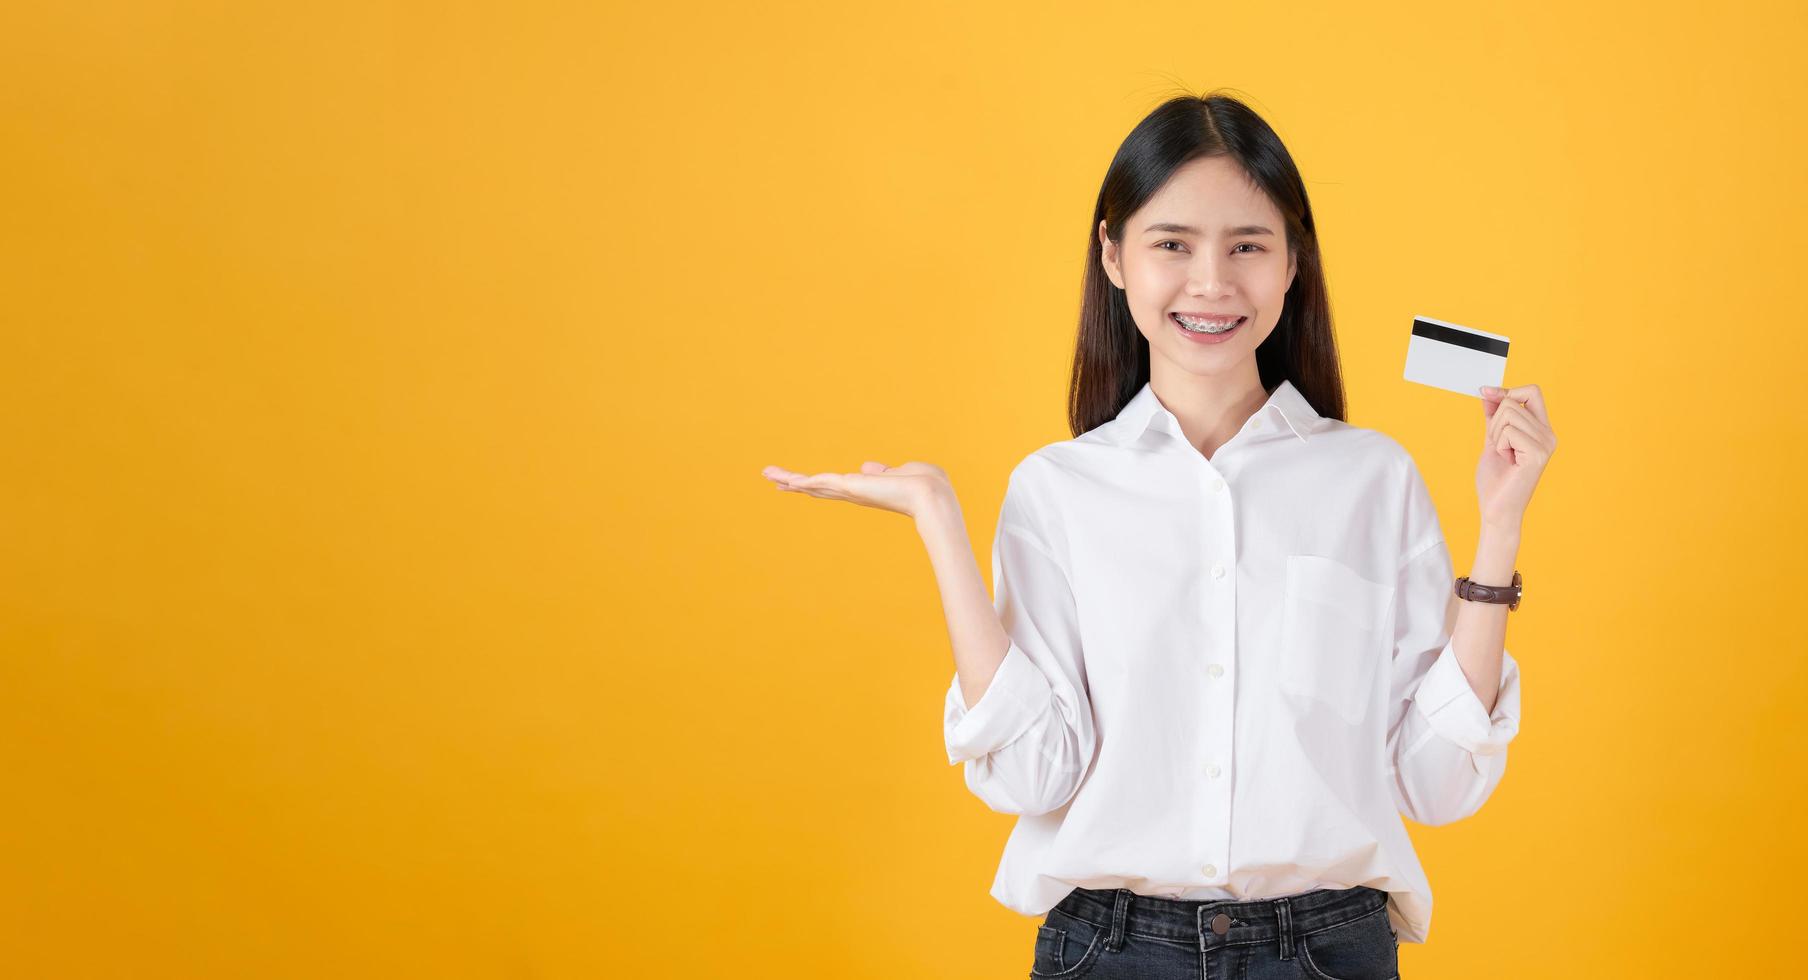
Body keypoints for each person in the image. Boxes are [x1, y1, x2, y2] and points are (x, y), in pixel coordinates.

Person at [762, 90, 1555, 979]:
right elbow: (1034, 778)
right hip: (1109, 953)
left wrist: (1500, 528)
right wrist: (941, 522)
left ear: (1294, 264)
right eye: (1171, 244)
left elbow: (1436, 785)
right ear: (1113, 255)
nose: (1211, 283)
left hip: (1328, 955)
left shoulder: (1372, 479)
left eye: (1247, 246)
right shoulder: (1058, 490)